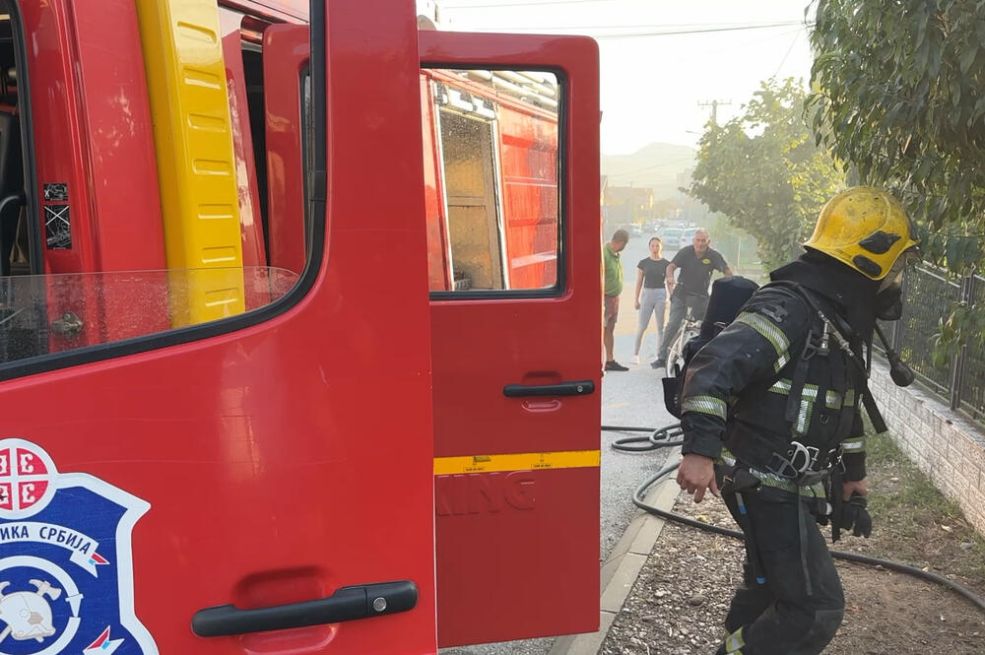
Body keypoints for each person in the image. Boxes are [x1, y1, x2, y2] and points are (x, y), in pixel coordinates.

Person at [674, 187, 919, 655]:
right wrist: (700, 451)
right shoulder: (791, 308)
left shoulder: (838, 318)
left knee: (770, 589)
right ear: (869, 261)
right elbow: (712, 370)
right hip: (762, 480)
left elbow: (842, 404)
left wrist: (853, 476)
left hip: (785, 481)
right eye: (897, 265)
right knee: (814, 609)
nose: (898, 279)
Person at [652, 228, 732, 369]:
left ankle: (705, 358)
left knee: (707, 325)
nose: (700, 244)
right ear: (693, 241)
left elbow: (726, 270)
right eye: (698, 240)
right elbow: (671, 266)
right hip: (681, 294)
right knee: (673, 324)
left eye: (703, 241)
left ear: (708, 242)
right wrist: (670, 276)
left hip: (700, 296)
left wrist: (730, 283)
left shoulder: (713, 255)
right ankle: (662, 357)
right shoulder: (686, 252)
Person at [633, 237, 670, 365]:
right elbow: (639, 282)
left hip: (661, 294)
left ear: (661, 247)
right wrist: (636, 299)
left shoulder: (666, 264)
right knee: (642, 326)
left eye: (657, 246)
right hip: (647, 294)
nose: (655, 248)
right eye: (653, 246)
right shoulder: (643, 263)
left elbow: (670, 282)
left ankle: (660, 355)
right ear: (649, 247)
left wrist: (672, 297)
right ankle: (635, 354)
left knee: (661, 327)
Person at [603, 229, 630, 372]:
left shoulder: (616, 255)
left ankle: (610, 360)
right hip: (605, 299)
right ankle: (600, 360)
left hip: (614, 299)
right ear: (619, 243)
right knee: (603, 329)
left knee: (610, 329)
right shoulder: (604, 254)